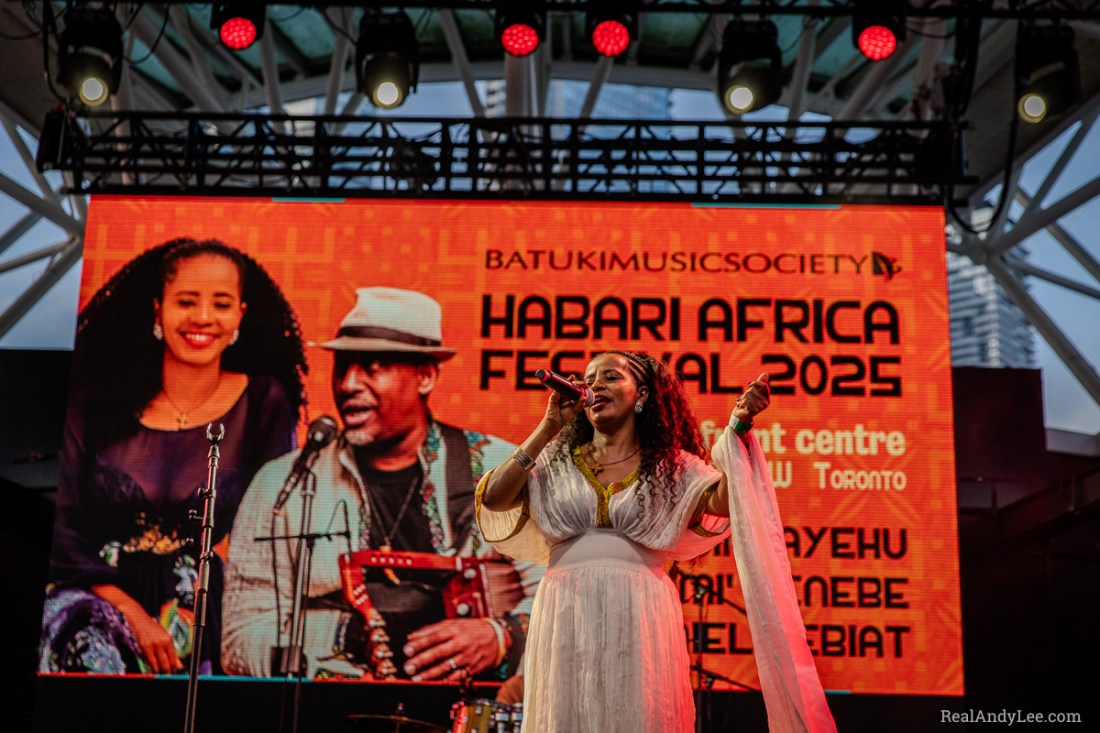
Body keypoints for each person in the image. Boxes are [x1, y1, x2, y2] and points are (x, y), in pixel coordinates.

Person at [477, 351, 836, 733]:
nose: (595, 385)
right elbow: (494, 499)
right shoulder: (555, 460)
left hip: (640, 610)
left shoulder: (671, 467)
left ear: (642, 394)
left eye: (610, 377)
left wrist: (738, 426)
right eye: (589, 379)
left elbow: (725, 501)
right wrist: (549, 426)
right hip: (565, 609)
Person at [222, 287, 540, 681]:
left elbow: (567, 600)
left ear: (425, 376)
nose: (348, 384)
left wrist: (501, 637)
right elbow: (239, 639)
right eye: (342, 367)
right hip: (335, 709)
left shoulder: (499, 470)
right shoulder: (282, 484)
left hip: (475, 705)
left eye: (373, 368)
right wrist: (342, 641)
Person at [40, 238, 308, 676]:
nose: (202, 317)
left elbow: (272, 526)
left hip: (201, 599)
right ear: (157, 309)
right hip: (92, 591)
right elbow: (61, 526)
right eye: (186, 301)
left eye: (221, 304)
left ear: (240, 314)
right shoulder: (93, 400)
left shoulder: (264, 401)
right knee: (89, 645)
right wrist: (130, 612)